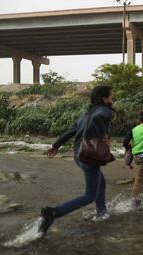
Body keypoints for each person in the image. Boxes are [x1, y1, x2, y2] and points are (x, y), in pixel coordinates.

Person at [40, 85, 115, 235]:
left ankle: (102, 213)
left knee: (102, 182)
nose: (113, 100)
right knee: (90, 195)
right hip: (89, 155)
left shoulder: (84, 114)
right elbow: (99, 118)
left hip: (78, 154)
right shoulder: (105, 111)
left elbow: (70, 131)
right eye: (111, 97)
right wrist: (104, 135)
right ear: (104, 99)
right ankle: (53, 213)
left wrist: (55, 146)